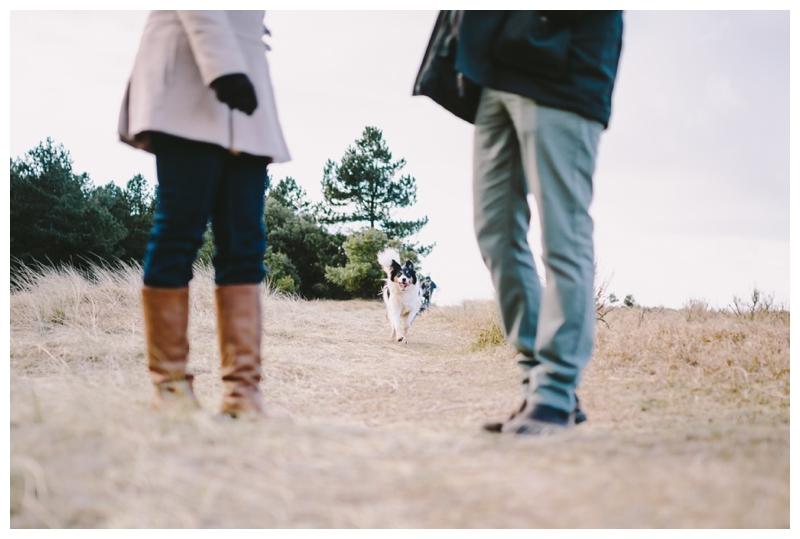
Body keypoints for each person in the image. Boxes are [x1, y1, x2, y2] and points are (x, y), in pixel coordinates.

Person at [414, 11, 623, 435]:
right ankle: (535, 382)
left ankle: (556, 390)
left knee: (563, 233)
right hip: (496, 71)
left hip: (564, 64)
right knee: (494, 229)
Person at [118, 10, 290, 417]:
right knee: (180, 228)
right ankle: (170, 389)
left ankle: (242, 394)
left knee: (246, 239)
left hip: (245, 85)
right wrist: (224, 66)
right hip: (190, 74)